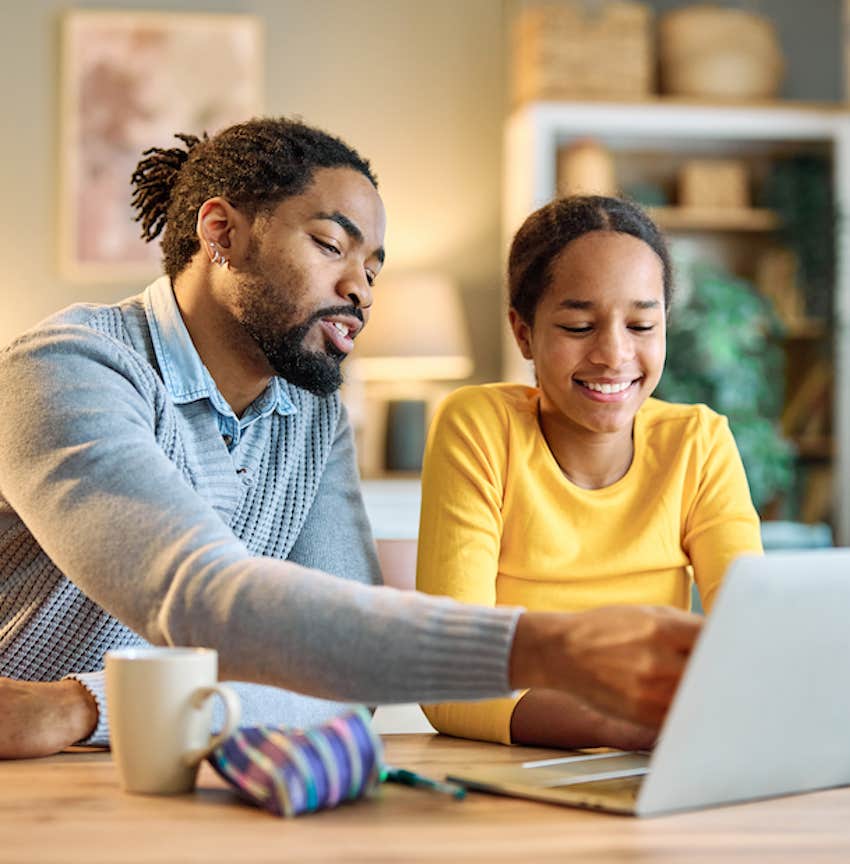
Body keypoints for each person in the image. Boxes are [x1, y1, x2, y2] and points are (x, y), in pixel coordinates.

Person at [0, 120, 702, 759]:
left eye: (372, 268)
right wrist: (548, 648)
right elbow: (201, 597)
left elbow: (341, 684)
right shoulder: (69, 369)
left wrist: (83, 706)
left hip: (138, 767)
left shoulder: (310, 414)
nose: (360, 288)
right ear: (222, 234)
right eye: (332, 245)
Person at [417, 195, 762, 750]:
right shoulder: (479, 428)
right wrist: (625, 726)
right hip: (522, 768)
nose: (614, 354)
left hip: (656, 762)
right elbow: (450, 678)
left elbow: (754, 637)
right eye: (579, 326)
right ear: (524, 333)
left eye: (642, 324)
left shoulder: (698, 442)